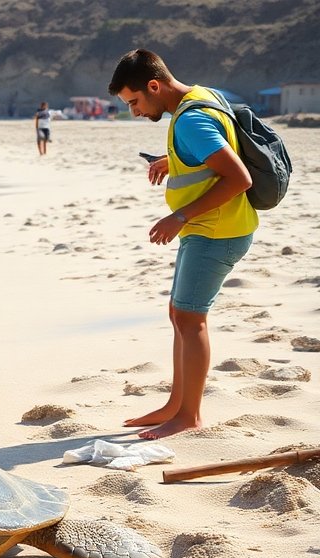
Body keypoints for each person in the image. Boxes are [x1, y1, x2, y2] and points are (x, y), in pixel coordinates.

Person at [107, 48, 257, 440]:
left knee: (191, 318)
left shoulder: (190, 120)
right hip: (211, 228)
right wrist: (172, 160)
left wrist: (179, 216)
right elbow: (215, 153)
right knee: (180, 313)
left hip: (216, 230)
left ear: (154, 86)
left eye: (135, 101)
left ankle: (189, 415)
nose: (134, 111)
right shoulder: (201, 97)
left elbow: (239, 177)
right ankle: (176, 404)